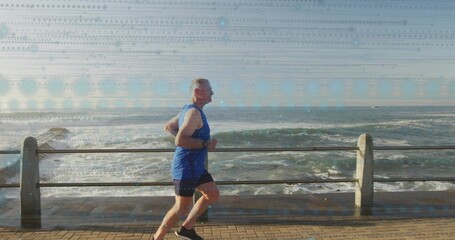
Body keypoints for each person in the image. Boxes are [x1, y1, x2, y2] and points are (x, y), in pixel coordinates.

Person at [153, 78, 219, 240]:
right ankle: (157, 237)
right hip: (186, 167)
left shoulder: (188, 110)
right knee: (181, 207)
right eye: (209, 90)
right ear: (198, 92)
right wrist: (205, 143)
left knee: (213, 194)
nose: (212, 93)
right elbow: (180, 140)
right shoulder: (193, 113)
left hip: (195, 167)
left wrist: (194, 142)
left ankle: (187, 228)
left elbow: (169, 126)